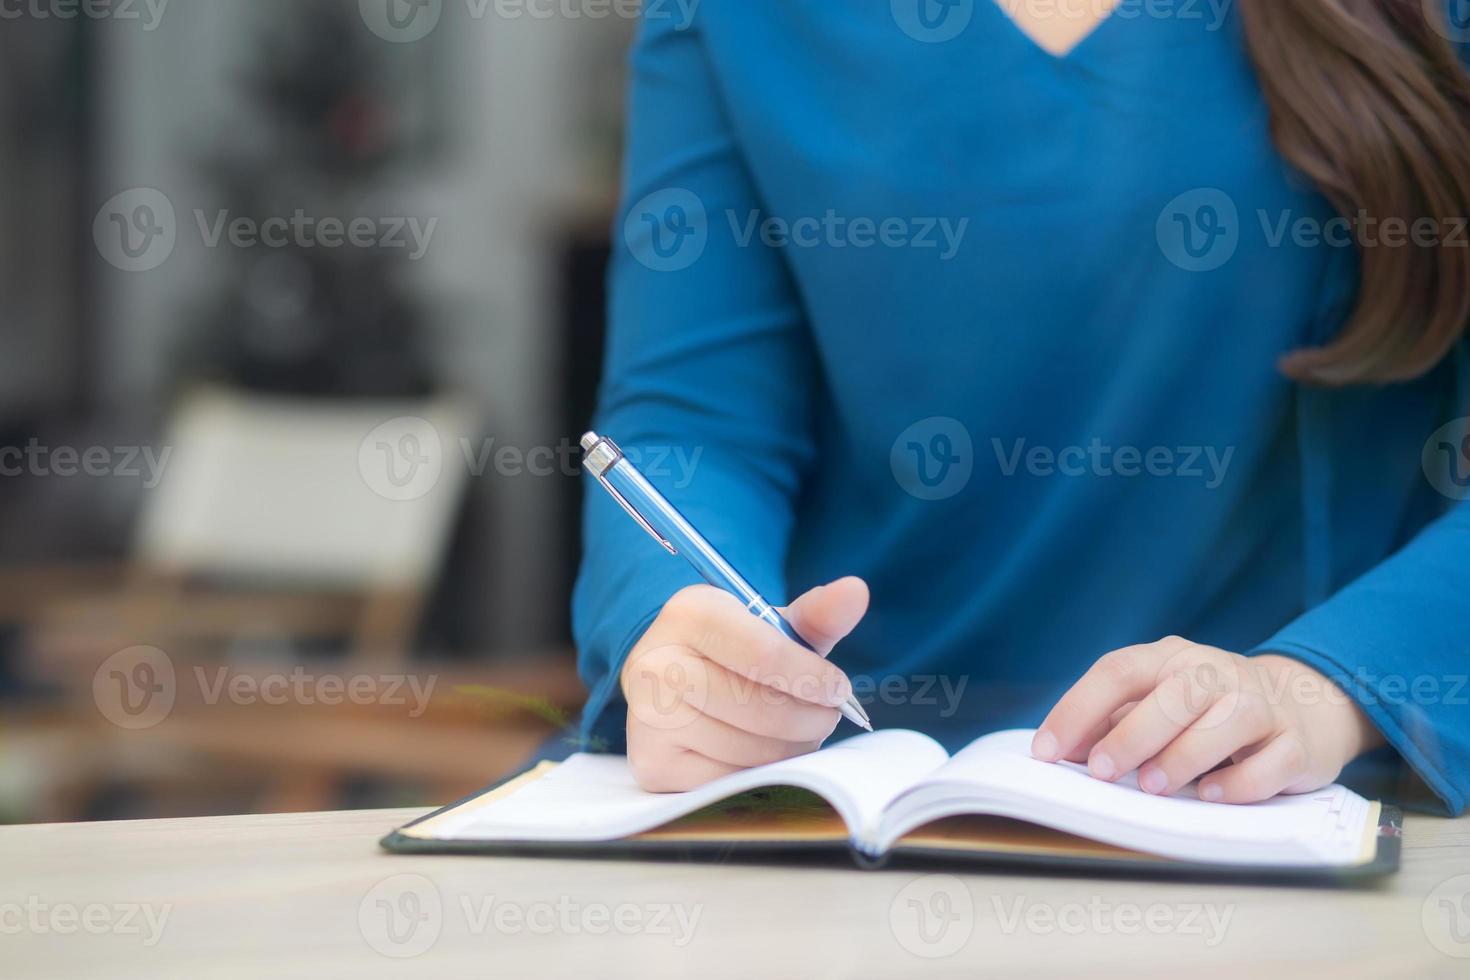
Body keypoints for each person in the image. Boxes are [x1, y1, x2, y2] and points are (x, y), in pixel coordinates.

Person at [572, 1, 1470, 813]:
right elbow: (696, 425)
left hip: (1296, 800)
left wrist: (1324, 687)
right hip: (835, 787)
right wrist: (680, 630)